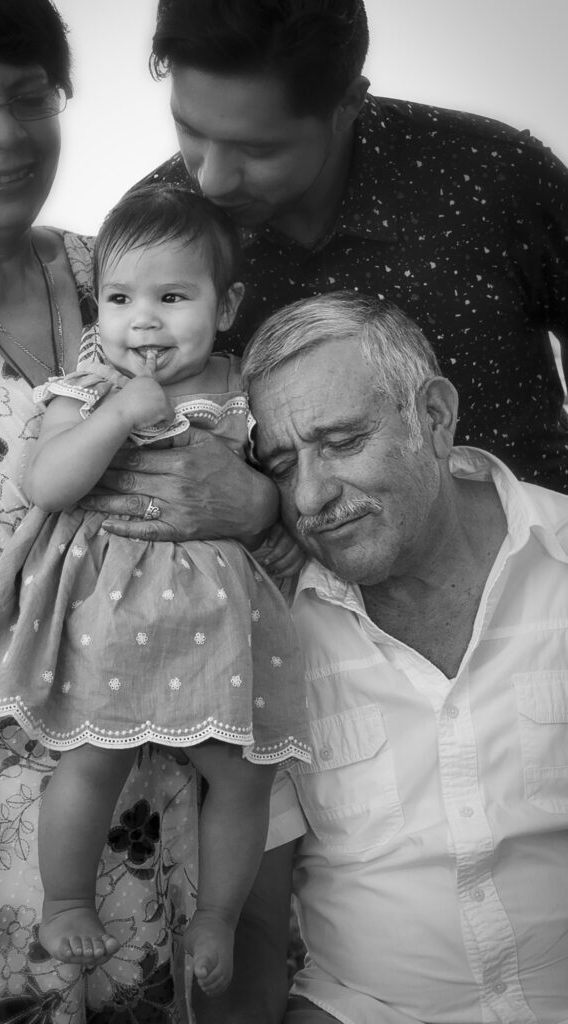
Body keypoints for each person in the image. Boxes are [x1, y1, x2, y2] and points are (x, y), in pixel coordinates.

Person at [0, 3, 277, 1020]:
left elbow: (246, 442)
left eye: (29, 97)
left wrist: (255, 498)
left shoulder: (120, 271)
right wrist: (57, 670)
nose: (7, 134)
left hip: (158, 787)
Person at [0, 183, 310, 995]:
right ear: (98, 309)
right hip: (110, 618)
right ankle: (65, 901)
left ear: (225, 304)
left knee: (244, 774)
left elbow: (290, 493)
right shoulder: (88, 389)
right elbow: (48, 483)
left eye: (173, 297)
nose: (145, 321)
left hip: (219, 630)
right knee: (91, 760)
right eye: (121, 298)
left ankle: (216, 917)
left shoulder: (247, 390)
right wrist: (118, 414)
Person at [205, 290, 568, 1023]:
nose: (310, 495)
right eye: (280, 464)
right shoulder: (265, 635)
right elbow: (257, 923)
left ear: (434, 417)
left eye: (340, 442)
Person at [132, 0, 568, 494]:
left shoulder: (495, 177)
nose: (211, 180)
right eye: (189, 129)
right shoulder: (151, 243)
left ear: (347, 105)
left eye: (259, 149)